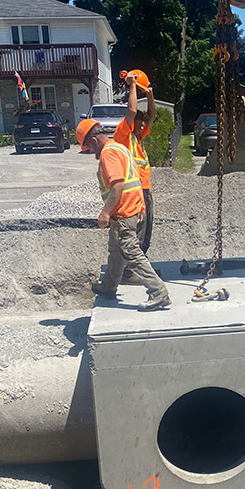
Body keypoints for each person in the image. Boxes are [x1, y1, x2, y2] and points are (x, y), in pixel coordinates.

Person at [76, 118, 170, 311]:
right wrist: (141, 207)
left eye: (89, 148)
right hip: (131, 208)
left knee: (131, 254)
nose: (91, 152)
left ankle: (158, 292)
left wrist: (105, 212)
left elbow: (118, 184)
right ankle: (109, 287)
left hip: (123, 212)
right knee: (116, 251)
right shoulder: (121, 148)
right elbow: (136, 179)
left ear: (94, 140)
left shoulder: (108, 154)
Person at [114, 70, 156, 253]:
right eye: (139, 123)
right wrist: (132, 85)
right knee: (137, 230)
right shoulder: (124, 134)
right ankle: (131, 268)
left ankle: (140, 262)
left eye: (142, 123)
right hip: (133, 192)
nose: (142, 126)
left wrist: (150, 95)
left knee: (147, 229)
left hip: (146, 190)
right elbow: (131, 111)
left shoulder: (138, 138)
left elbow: (152, 116)